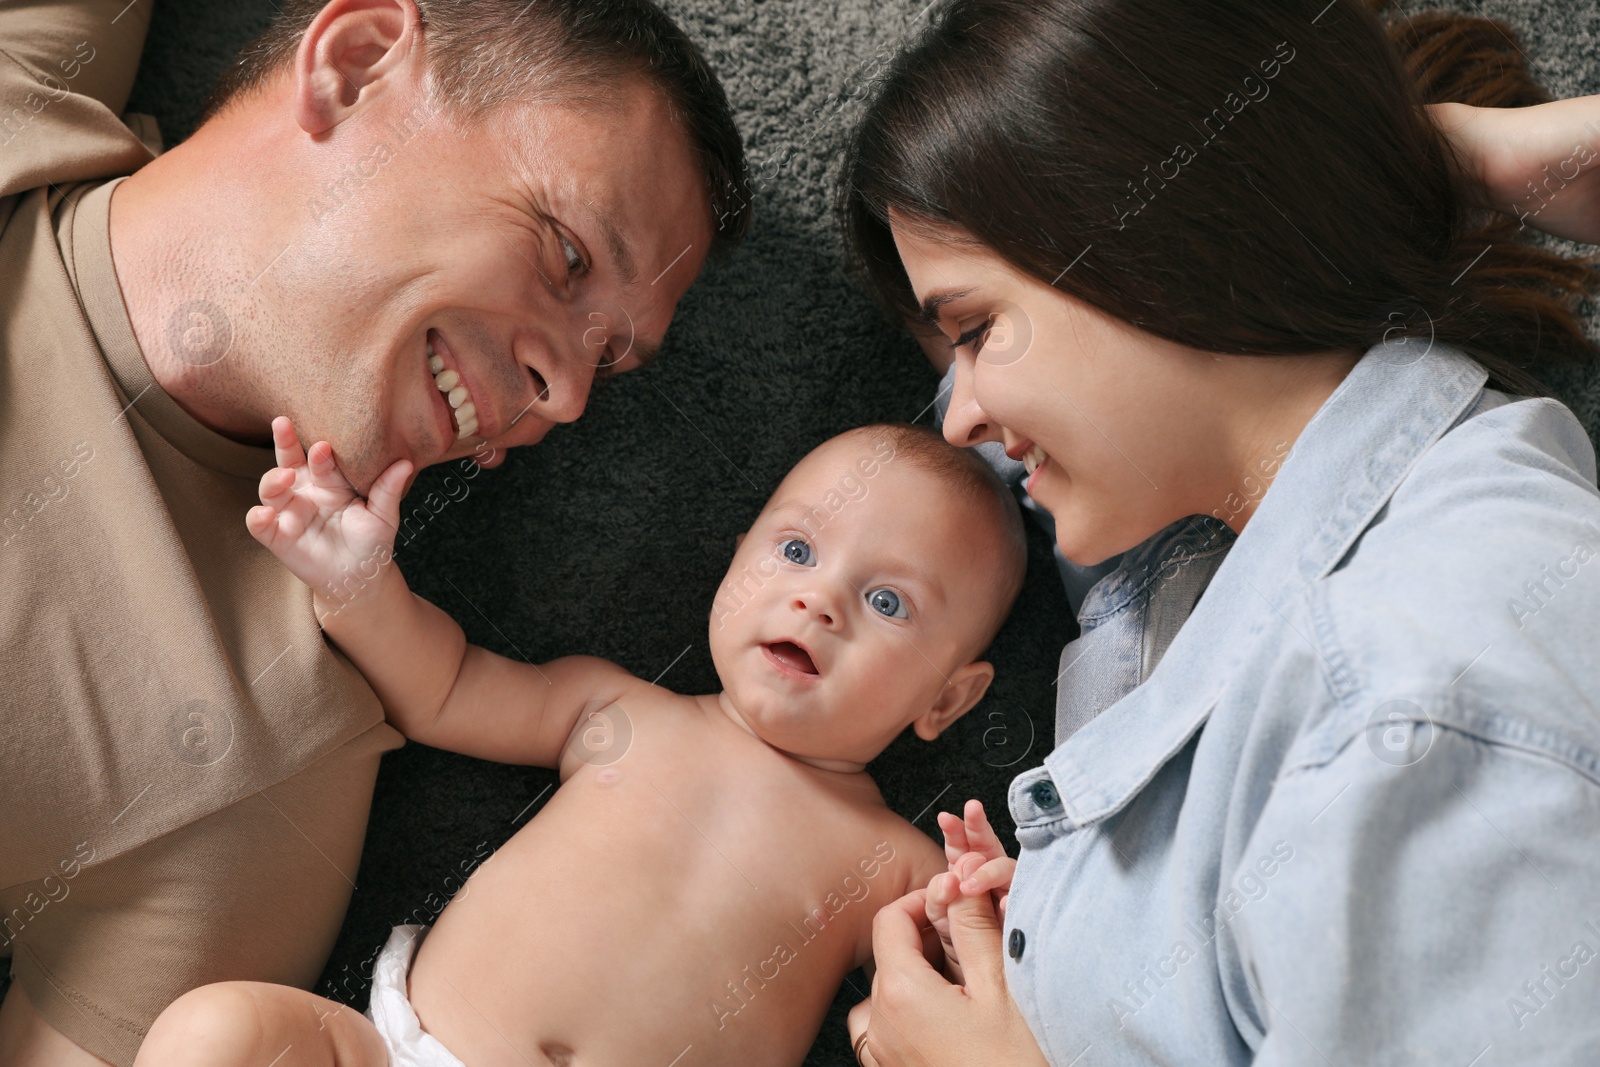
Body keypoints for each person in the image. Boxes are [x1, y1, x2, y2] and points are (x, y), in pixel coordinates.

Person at [837, 0, 1600, 1063]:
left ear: (1159, 237)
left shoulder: (1409, 691)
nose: (959, 415)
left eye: (974, 331)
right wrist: (1079, 929)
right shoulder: (1325, 622)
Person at [0, 2, 749, 1064]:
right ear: (353, 65)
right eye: (569, 256)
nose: (568, 395)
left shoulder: (267, 756)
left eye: (609, 362)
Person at [128, 420, 1024, 1067]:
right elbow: (444, 688)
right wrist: (362, 586)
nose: (819, 600)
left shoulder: (899, 867)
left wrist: (977, 909)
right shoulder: (617, 708)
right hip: (403, 1051)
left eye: (889, 602)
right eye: (795, 549)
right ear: (734, 553)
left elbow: (972, 1003)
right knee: (216, 1032)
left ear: (947, 697)